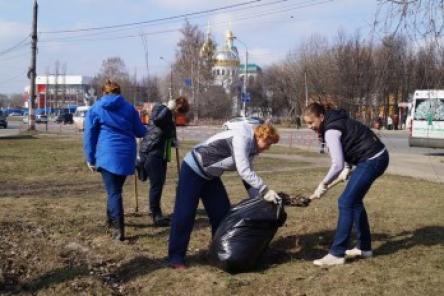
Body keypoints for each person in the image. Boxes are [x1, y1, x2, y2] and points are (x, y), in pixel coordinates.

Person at [168, 123, 281, 269]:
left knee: (221, 214)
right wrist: (265, 190)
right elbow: (244, 170)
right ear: (259, 136)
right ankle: (176, 258)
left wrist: (258, 199)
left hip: (210, 176)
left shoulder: (252, 148)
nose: (267, 148)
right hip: (193, 169)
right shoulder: (243, 138)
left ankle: (218, 253)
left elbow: (247, 177)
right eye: (267, 143)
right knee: (185, 214)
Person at [303, 102, 389, 266]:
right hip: (374, 157)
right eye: (307, 123)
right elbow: (350, 143)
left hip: (373, 159)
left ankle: (337, 253)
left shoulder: (330, 130)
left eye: (311, 122)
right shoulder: (335, 120)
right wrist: (348, 168)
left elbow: (337, 164)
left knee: (346, 202)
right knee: (354, 202)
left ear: (321, 117)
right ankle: (364, 248)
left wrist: (323, 183)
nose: (309, 126)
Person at [83, 79, 146, 241]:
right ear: (119, 92)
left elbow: (89, 135)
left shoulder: (96, 108)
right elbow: (140, 132)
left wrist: (90, 158)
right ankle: (110, 220)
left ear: (104, 92)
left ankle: (119, 229)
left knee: (114, 192)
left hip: (106, 155)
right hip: (126, 155)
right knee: (114, 189)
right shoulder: (130, 108)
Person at [137, 97, 190, 227]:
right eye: (178, 112)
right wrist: (168, 109)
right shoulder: (160, 109)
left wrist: (173, 142)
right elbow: (158, 120)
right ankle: (156, 215)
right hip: (151, 152)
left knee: (159, 184)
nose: (178, 115)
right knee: (156, 185)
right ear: (175, 107)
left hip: (162, 155)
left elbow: (166, 134)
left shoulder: (170, 117)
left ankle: (157, 212)